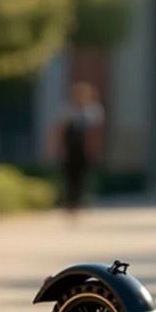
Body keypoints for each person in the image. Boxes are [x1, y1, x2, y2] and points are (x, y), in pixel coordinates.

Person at [51, 81, 104, 215]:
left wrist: (95, 148)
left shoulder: (93, 111)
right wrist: (58, 147)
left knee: (84, 176)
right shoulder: (67, 110)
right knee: (70, 176)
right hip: (71, 148)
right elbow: (60, 130)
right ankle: (70, 204)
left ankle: (82, 201)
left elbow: (96, 133)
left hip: (85, 148)